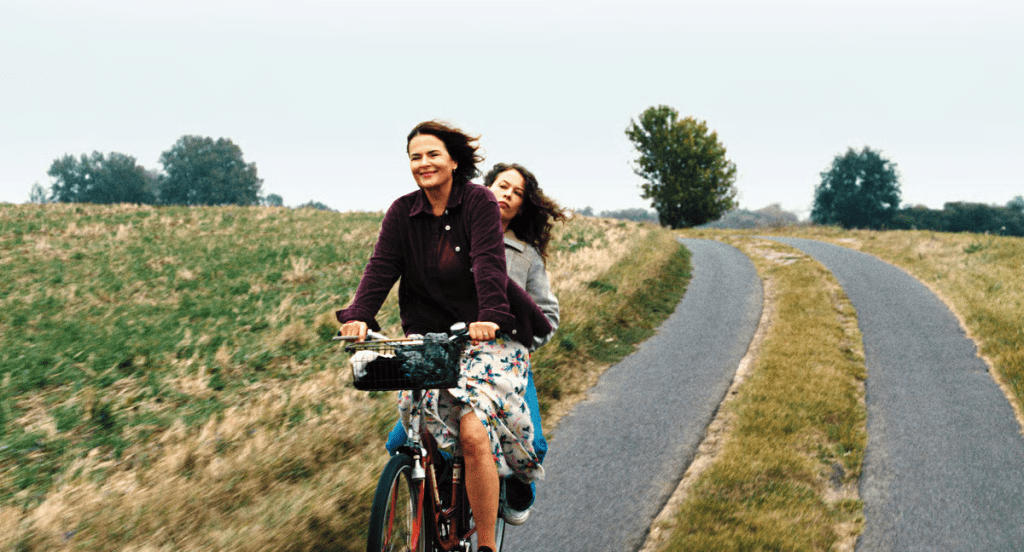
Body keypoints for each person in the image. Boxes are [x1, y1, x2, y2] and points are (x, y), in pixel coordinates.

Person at [336, 121, 548, 552]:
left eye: (432, 154)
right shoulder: (402, 212)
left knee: (471, 430)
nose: (423, 163)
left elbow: (488, 263)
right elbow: (381, 267)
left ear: (453, 161)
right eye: (415, 156)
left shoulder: (479, 201)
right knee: (414, 431)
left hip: (487, 336)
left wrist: (490, 315)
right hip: (430, 336)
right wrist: (358, 316)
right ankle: (430, 502)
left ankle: (485, 544)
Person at [385, 161, 568, 524]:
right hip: (449, 354)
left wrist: (517, 341)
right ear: (486, 189)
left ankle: (513, 488)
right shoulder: (451, 235)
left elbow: (547, 316)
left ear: (522, 206)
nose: (507, 195)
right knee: (401, 440)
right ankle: (439, 488)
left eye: (517, 193)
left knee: (533, 443)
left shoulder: (526, 256)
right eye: (502, 186)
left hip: (502, 360)